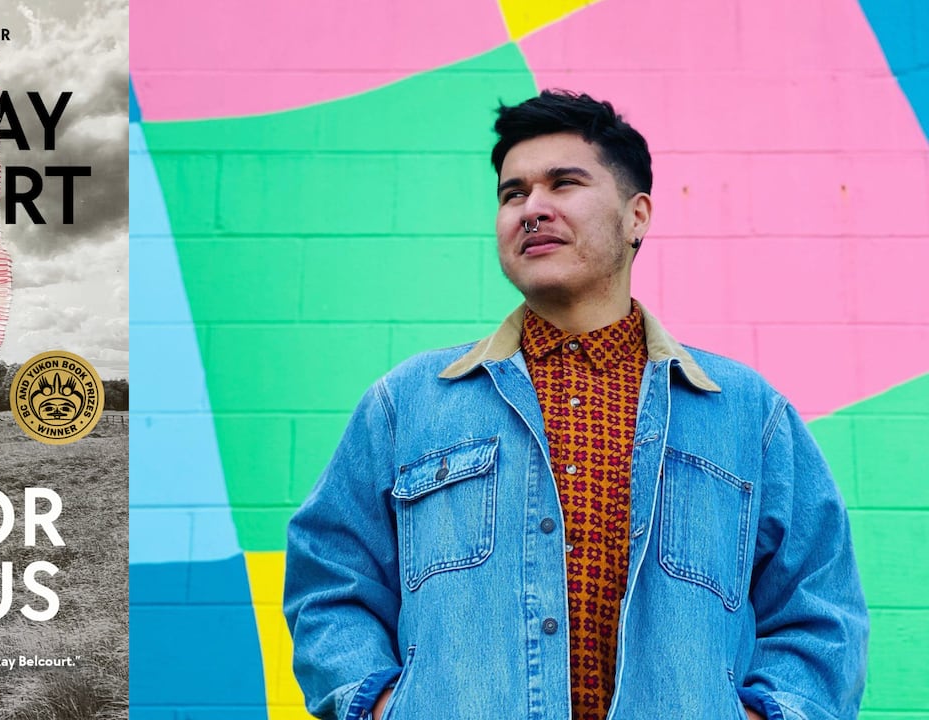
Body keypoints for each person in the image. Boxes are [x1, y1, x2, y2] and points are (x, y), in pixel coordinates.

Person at [282, 90, 867, 720]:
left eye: (564, 184)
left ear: (636, 215)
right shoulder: (409, 405)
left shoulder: (748, 416)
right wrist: (378, 703)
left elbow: (819, 609)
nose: (533, 209)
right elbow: (329, 579)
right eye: (513, 194)